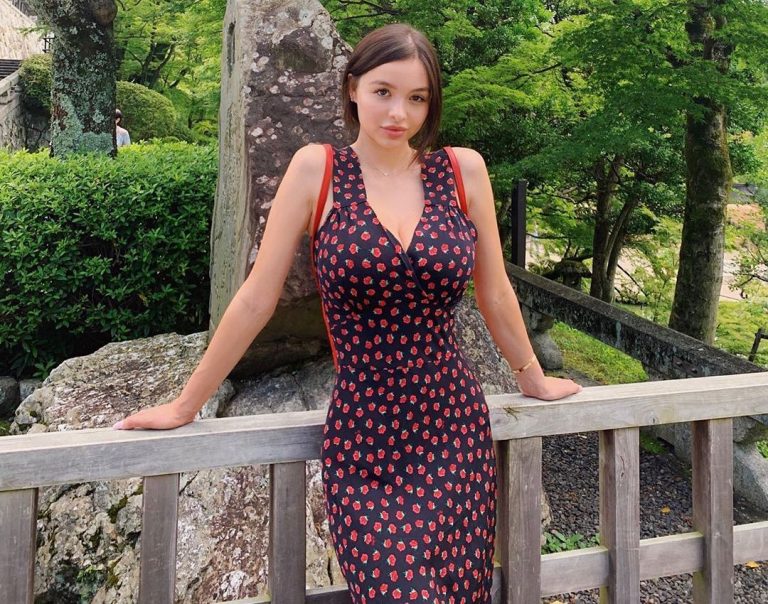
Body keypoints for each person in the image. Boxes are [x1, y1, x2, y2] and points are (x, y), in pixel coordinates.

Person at [113, 22, 581, 602]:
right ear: (353, 87)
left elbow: (496, 292)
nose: (399, 113)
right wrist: (187, 404)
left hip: (455, 431)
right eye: (384, 91)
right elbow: (257, 297)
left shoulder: (462, 171)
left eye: (417, 98)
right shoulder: (319, 169)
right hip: (365, 438)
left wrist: (532, 376)